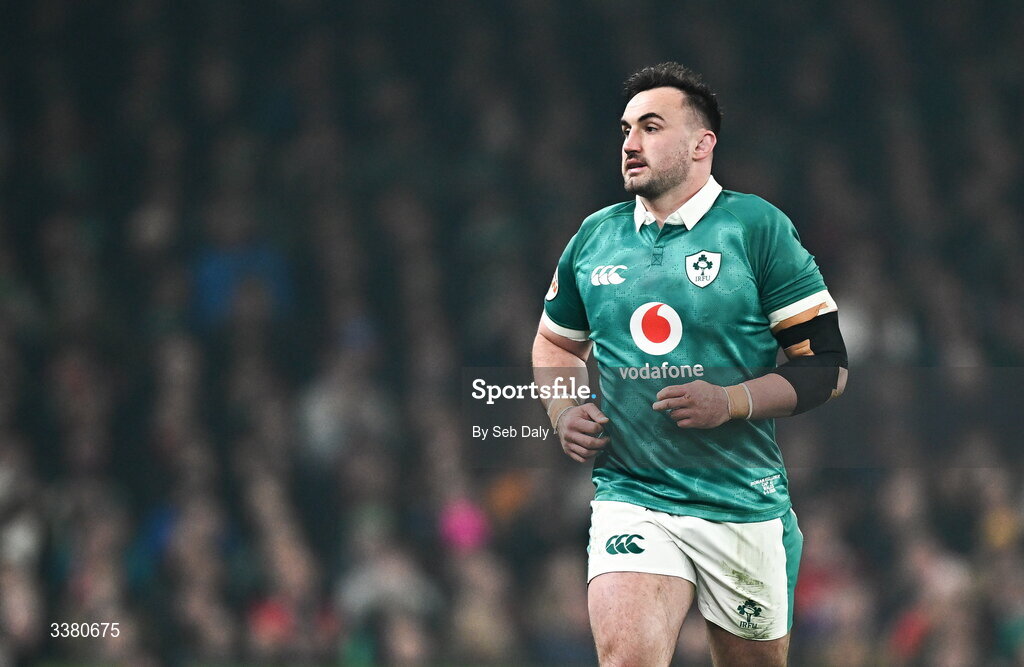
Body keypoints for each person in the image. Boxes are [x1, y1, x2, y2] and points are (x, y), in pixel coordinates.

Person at [532, 62, 848, 666]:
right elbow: (555, 343)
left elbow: (827, 367)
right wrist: (563, 407)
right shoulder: (595, 237)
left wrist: (730, 400)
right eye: (625, 129)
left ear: (702, 145)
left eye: (650, 127)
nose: (629, 144)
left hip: (742, 501)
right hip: (633, 493)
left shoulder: (757, 229)